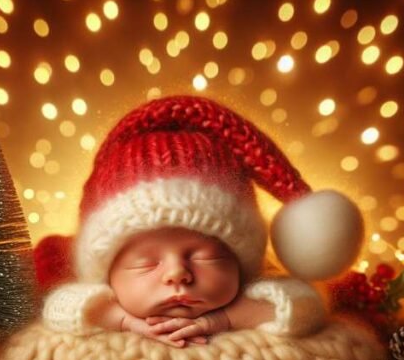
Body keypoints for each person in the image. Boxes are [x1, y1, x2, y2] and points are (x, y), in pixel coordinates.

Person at [38, 96, 364, 344]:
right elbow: (60, 307)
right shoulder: (100, 298)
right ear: (107, 275)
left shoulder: (256, 291)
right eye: (145, 262)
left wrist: (222, 320)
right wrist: (124, 321)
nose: (178, 273)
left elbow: (306, 305)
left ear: (241, 262)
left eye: (205, 256)